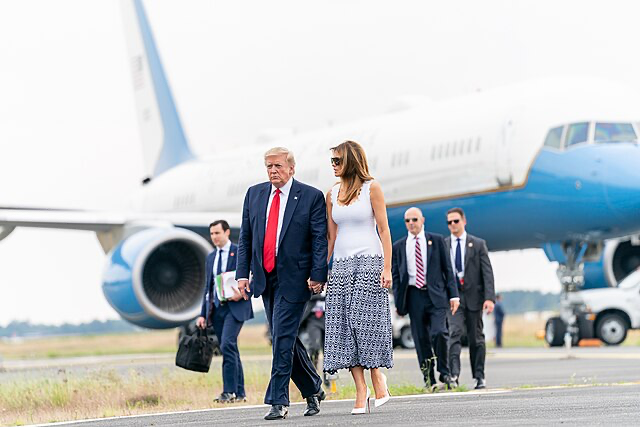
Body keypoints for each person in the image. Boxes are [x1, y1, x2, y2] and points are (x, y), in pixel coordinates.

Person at [236, 147, 327, 421]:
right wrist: (242, 274)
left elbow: (319, 239)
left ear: (291, 168)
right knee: (282, 336)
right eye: (268, 166)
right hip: (265, 277)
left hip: (297, 279)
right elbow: (246, 238)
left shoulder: (310, 196)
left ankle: (278, 400)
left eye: (277, 166)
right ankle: (312, 388)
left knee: (282, 337)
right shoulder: (254, 194)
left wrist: (318, 273)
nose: (272, 171)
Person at [323, 140, 394, 415]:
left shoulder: (371, 188)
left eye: (337, 161)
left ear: (351, 161)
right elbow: (331, 237)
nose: (333, 166)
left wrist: (387, 268)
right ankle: (361, 388)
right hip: (341, 265)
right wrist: (320, 271)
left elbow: (385, 230)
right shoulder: (332, 193)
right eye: (331, 161)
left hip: (369, 261)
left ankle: (378, 378)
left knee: (366, 324)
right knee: (344, 326)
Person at [391, 207, 459, 391]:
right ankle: (429, 379)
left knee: (439, 333)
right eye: (407, 221)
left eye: (414, 219)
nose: (411, 223)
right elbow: (396, 277)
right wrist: (399, 302)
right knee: (420, 340)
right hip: (413, 297)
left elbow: (448, 270)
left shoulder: (436, 241)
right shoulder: (399, 246)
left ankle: (445, 372)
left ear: (422, 220)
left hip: (436, 295)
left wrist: (454, 295)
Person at [196, 220, 253, 403]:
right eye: (211, 234)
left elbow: (253, 276)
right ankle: (241, 393)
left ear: (227, 233)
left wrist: (244, 292)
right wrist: (203, 314)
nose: (214, 237)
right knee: (231, 348)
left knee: (227, 344)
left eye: (217, 233)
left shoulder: (239, 252)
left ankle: (228, 392)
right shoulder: (211, 257)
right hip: (217, 308)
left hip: (235, 307)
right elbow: (208, 288)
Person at [445, 207, 496, 390]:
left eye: (455, 221)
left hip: (474, 297)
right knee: (454, 333)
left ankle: (479, 376)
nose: (452, 225)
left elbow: (487, 273)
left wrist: (489, 298)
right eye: (449, 222)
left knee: (476, 339)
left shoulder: (478, 244)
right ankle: (453, 375)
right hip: (453, 298)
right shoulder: (444, 245)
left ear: (464, 221)